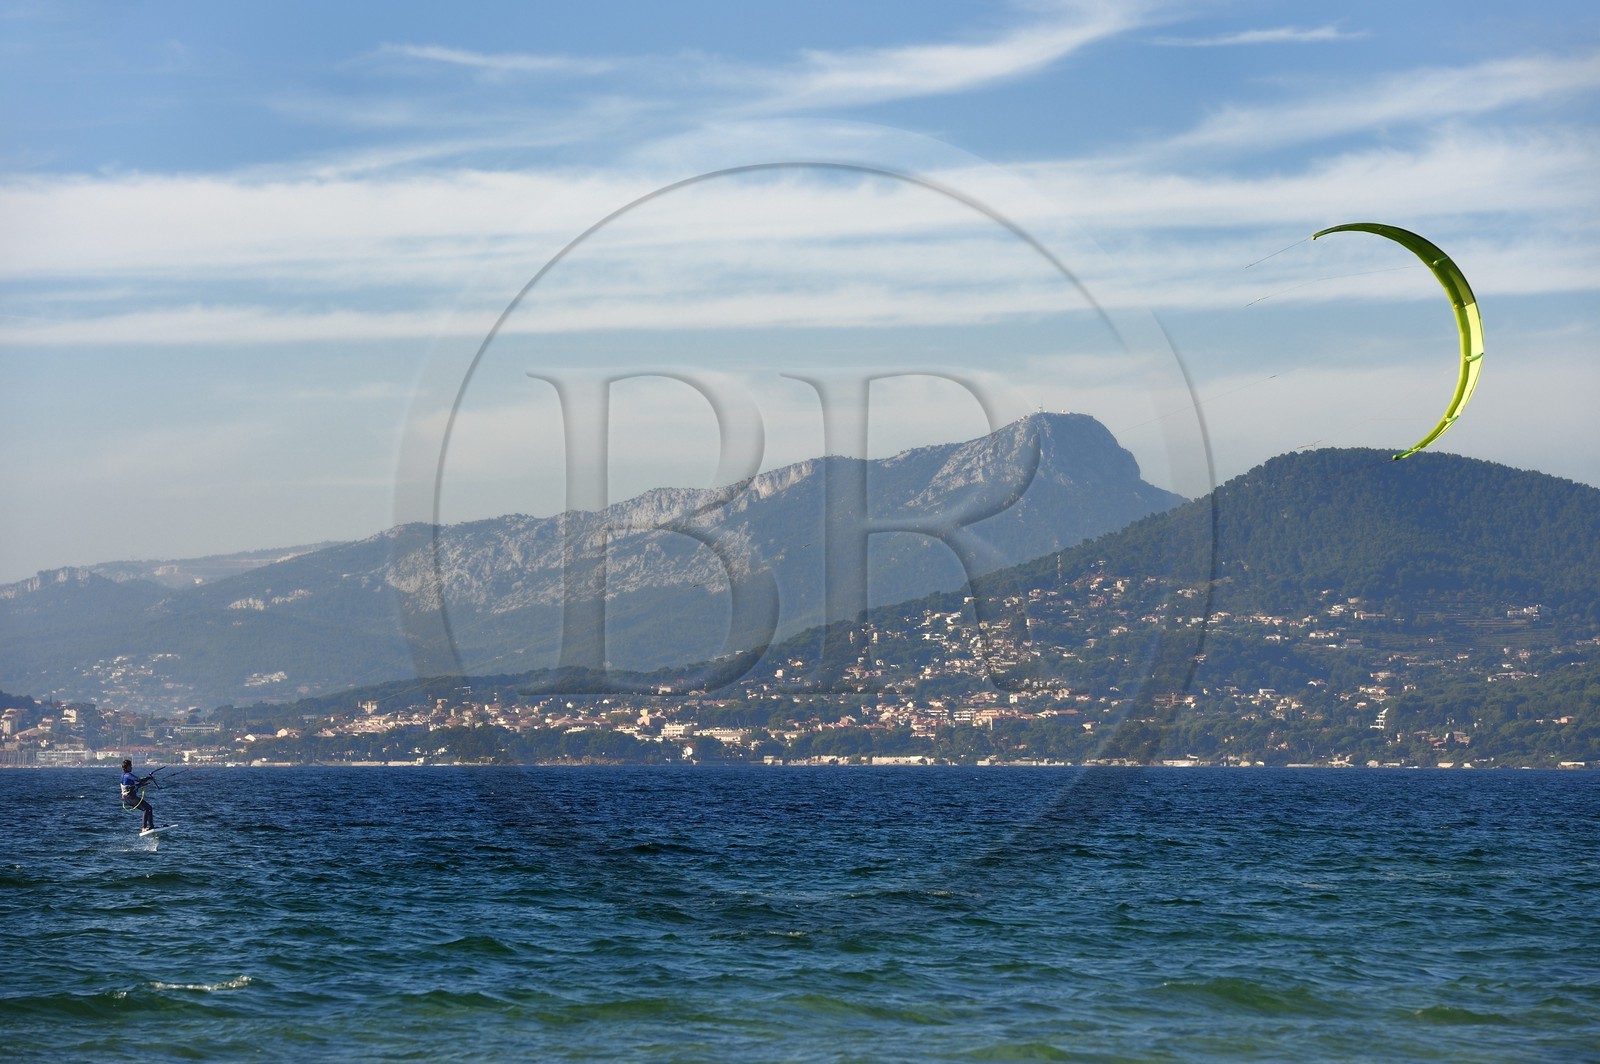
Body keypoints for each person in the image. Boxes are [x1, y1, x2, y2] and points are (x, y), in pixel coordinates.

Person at [120, 758, 156, 830]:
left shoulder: (123, 775)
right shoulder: (127, 775)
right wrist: (149, 778)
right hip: (130, 798)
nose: (132, 767)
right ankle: (144, 828)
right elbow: (139, 780)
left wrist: (142, 784)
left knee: (149, 808)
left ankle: (151, 826)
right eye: (131, 766)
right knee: (146, 809)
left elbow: (132, 786)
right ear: (127, 767)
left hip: (129, 798)